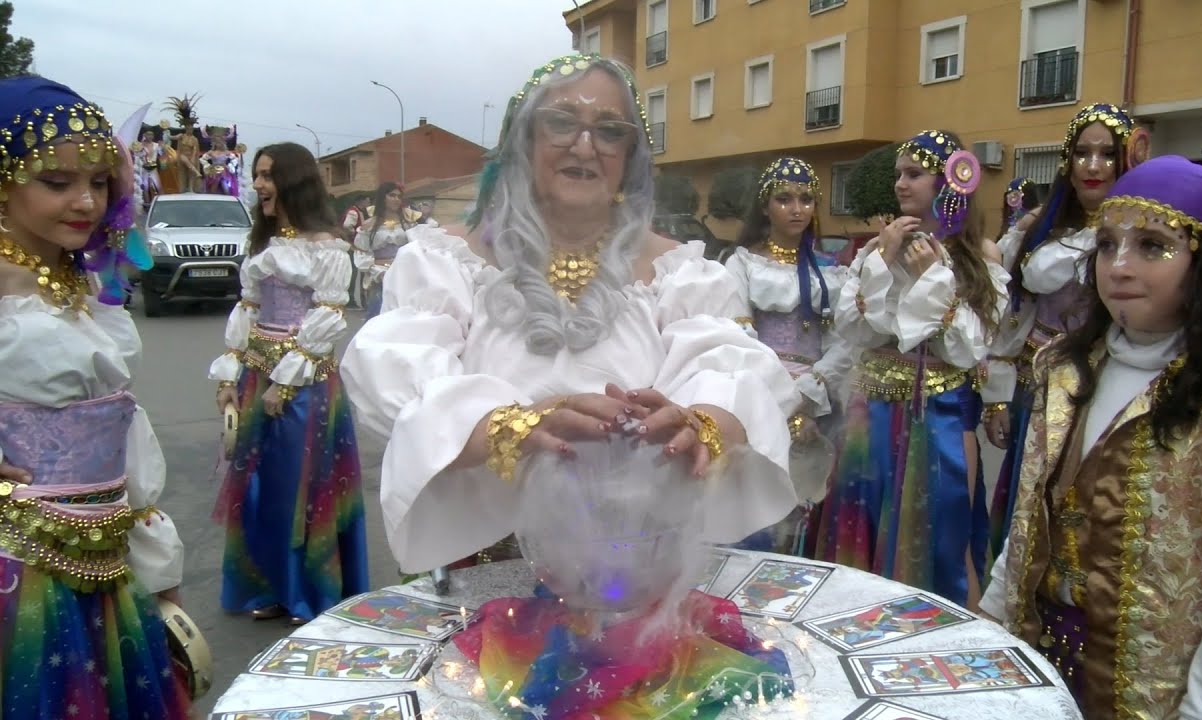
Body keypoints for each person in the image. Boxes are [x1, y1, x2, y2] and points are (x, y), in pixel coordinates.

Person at [339, 53, 800, 577]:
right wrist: (514, 425)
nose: (584, 146)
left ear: (630, 156)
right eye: (560, 123)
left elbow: (736, 371)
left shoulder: (680, 273)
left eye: (609, 131)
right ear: (523, 142)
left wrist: (701, 420)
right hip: (485, 569)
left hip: (638, 572)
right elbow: (396, 377)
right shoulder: (445, 262)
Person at [980, 155, 1202, 718]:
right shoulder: (1063, 368)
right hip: (1042, 661)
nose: (1118, 267)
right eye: (1108, 244)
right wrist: (992, 624)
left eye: (1151, 246)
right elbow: (1026, 520)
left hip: (1160, 692)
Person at [0, 76, 187, 718]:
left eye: (100, 181)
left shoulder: (75, 286)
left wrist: (160, 574)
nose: (85, 201)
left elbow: (124, 427)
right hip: (17, 573)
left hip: (108, 566)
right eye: (56, 182)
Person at [816, 130, 1007, 609]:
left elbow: (969, 347)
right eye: (899, 174)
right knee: (861, 522)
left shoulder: (979, 256)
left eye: (914, 174)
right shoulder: (874, 251)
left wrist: (930, 279)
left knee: (943, 527)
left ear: (947, 181)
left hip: (939, 411)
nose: (901, 184)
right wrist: (881, 261)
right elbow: (857, 329)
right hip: (871, 408)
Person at [209, 141, 368, 624]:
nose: (258, 185)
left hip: (305, 385)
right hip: (261, 377)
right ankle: (273, 587)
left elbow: (327, 316)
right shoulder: (264, 245)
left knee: (303, 488)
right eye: (257, 175)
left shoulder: (327, 247)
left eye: (267, 176)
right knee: (262, 487)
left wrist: (286, 383)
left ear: (293, 181)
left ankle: (310, 593)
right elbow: (249, 309)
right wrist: (230, 375)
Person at [982, 103, 1145, 558]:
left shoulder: (1145, 235)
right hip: (1036, 389)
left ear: (1128, 159)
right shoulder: (1037, 229)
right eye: (1083, 153)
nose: (1093, 166)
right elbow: (1013, 316)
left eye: (1108, 154)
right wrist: (996, 396)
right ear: (1067, 162)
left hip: (1106, 390)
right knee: (1027, 497)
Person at [724, 157, 855, 556]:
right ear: (765, 207)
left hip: (816, 399)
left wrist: (809, 397)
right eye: (784, 199)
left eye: (806, 199)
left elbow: (843, 340)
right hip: (759, 394)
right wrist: (779, 398)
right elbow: (737, 335)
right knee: (757, 501)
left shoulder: (832, 271)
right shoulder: (743, 264)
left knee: (808, 503)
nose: (797, 209)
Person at [352, 181, 426, 316]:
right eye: (392, 195)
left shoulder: (409, 223)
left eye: (399, 196)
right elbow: (361, 254)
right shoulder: (369, 225)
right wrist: (377, 266)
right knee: (379, 314)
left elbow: (419, 249)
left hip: (405, 274)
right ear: (382, 198)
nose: (396, 199)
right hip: (380, 275)